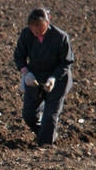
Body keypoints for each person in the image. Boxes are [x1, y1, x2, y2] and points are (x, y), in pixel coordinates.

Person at [13, 7, 74, 146]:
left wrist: (53, 78)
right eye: (33, 27)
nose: (36, 30)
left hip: (58, 79)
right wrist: (25, 73)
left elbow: (66, 62)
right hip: (35, 78)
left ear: (48, 22)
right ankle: (46, 134)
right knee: (29, 115)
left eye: (39, 26)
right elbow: (19, 55)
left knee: (50, 117)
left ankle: (45, 147)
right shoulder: (26, 35)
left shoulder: (60, 37)